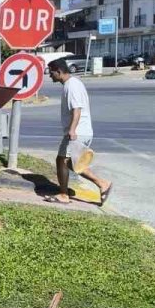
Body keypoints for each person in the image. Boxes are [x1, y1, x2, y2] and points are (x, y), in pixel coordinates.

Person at [47, 58, 112, 206]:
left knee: (63, 160)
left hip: (78, 131)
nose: (50, 76)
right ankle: (99, 184)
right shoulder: (72, 84)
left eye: (51, 73)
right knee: (69, 162)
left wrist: (72, 130)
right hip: (81, 130)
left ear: (59, 71)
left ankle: (66, 194)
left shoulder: (71, 86)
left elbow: (77, 109)